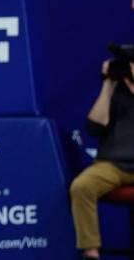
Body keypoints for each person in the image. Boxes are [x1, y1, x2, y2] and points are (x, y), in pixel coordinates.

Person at [69, 59, 134, 260]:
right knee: (81, 186)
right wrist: (108, 83)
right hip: (112, 165)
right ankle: (91, 253)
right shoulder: (115, 91)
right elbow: (94, 128)